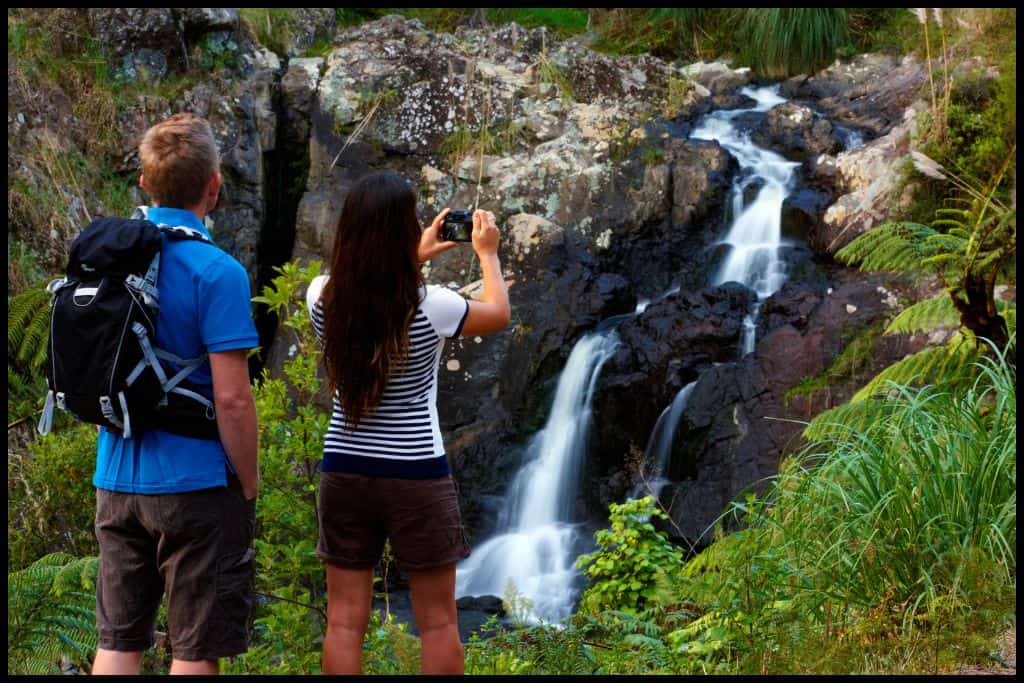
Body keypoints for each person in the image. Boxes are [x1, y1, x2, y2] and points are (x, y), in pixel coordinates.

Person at [307, 171, 510, 675]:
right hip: (415, 471)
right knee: (438, 623)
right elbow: (498, 313)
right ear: (403, 230)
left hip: (344, 466)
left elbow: (370, 292)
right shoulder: (433, 306)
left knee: (343, 621)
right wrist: (486, 253)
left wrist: (412, 255)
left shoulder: (320, 296)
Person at [90, 113, 260, 675]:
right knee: (194, 649)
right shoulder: (218, 271)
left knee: (118, 642)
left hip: (115, 476)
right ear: (214, 186)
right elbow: (233, 400)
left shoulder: (106, 260)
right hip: (194, 484)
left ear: (144, 182)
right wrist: (248, 482)